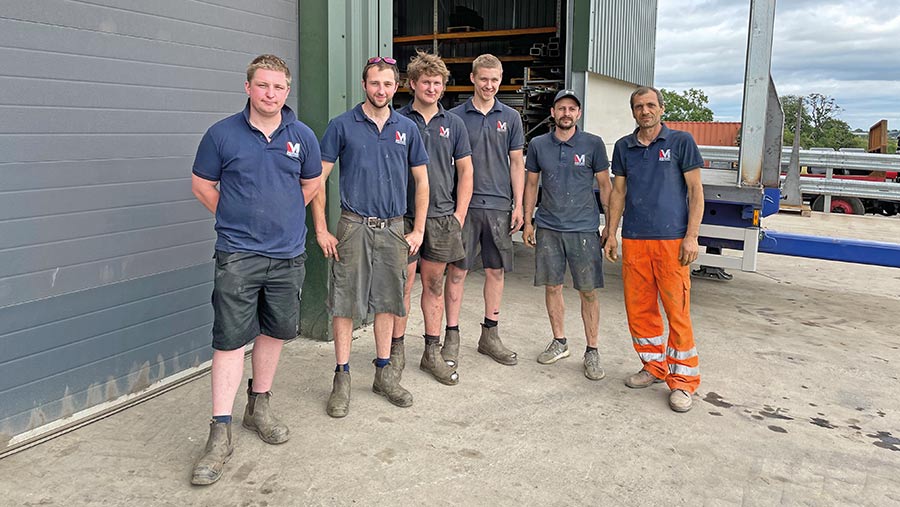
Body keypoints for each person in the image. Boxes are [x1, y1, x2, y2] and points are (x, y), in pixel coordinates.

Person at [189, 54, 322, 485]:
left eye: (278, 87)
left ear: (287, 91)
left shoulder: (301, 135)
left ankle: (258, 405)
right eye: (262, 86)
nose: (270, 94)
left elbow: (311, 183)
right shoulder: (221, 135)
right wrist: (233, 220)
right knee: (228, 340)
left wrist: (283, 218)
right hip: (238, 256)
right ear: (248, 87)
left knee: (274, 331)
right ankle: (219, 431)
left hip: (287, 255)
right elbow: (201, 184)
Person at [313, 56, 429, 418]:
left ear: (397, 87)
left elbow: (422, 182)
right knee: (345, 302)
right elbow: (318, 180)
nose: (381, 90)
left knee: (388, 302)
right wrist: (320, 228)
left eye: (388, 84)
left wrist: (419, 229)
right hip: (353, 225)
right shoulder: (342, 126)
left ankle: (382, 374)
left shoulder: (406, 129)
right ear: (364, 85)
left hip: (394, 228)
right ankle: (342, 377)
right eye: (375, 83)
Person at [603, 86, 704, 413]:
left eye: (650, 105)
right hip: (635, 240)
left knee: (677, 312)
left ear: (661, 108)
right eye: (638, 106)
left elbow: (696, 192)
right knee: (640, 309)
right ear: (633, 112)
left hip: (672, 242)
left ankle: (683, 383)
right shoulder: (624, 147)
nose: (644, 111)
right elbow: (617, 193)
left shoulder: (681, 142)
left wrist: (692, 236)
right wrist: (611, 232)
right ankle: (653, 368)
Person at [391, 51, 474, 385]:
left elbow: (466, 170)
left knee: (434, 285)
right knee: (401, 286)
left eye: (437, 83)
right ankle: (395, 352)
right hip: (404, 217)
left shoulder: (453, 124)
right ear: (412, 84)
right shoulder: (397, 120)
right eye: (426, 82)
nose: (432, 88)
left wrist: (458, 215)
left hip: (441, 218)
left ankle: (431, 352)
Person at [522, 89, 612, 380]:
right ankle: (560, 342)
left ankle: (592, 350)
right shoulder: (537, 145)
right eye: (561, 108)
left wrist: (610, 228)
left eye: (572, 109)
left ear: (579, 114)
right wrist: (528, 221)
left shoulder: (593, 144)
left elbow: (606, 187)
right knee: (552, 287)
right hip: (548, 227)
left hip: (584, 229)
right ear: (552, 113)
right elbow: (531, 185)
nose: (566, 113)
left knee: (588, 292)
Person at [445, 54, 526, 369]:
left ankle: (489, 335)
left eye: (495, 80)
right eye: (484, 79)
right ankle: (452, 336)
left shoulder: (511, 117)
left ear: (500, 79)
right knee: (458, 271)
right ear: (473, 78)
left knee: (496, 271)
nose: (489, 85)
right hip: (462, 206)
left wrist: (518, 204)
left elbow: (517, 163)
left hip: (498, 205)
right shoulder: (454, 117)